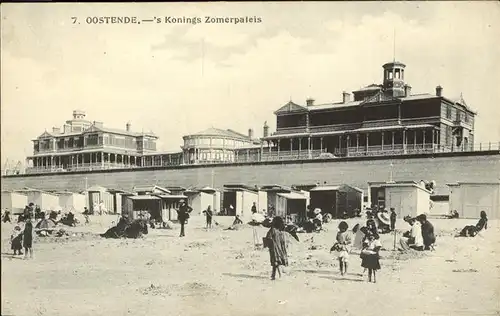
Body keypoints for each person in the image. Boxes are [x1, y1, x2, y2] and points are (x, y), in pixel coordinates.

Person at [264, 216, 288, 280]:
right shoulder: (281, 231)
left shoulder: (273, 230)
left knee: (276, 262)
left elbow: (268, 237)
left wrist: (266, 244)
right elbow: (283, 241)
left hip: (274, 248)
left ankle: (280, 275)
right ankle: (273, 275)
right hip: (281, 248)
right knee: (276, 262)